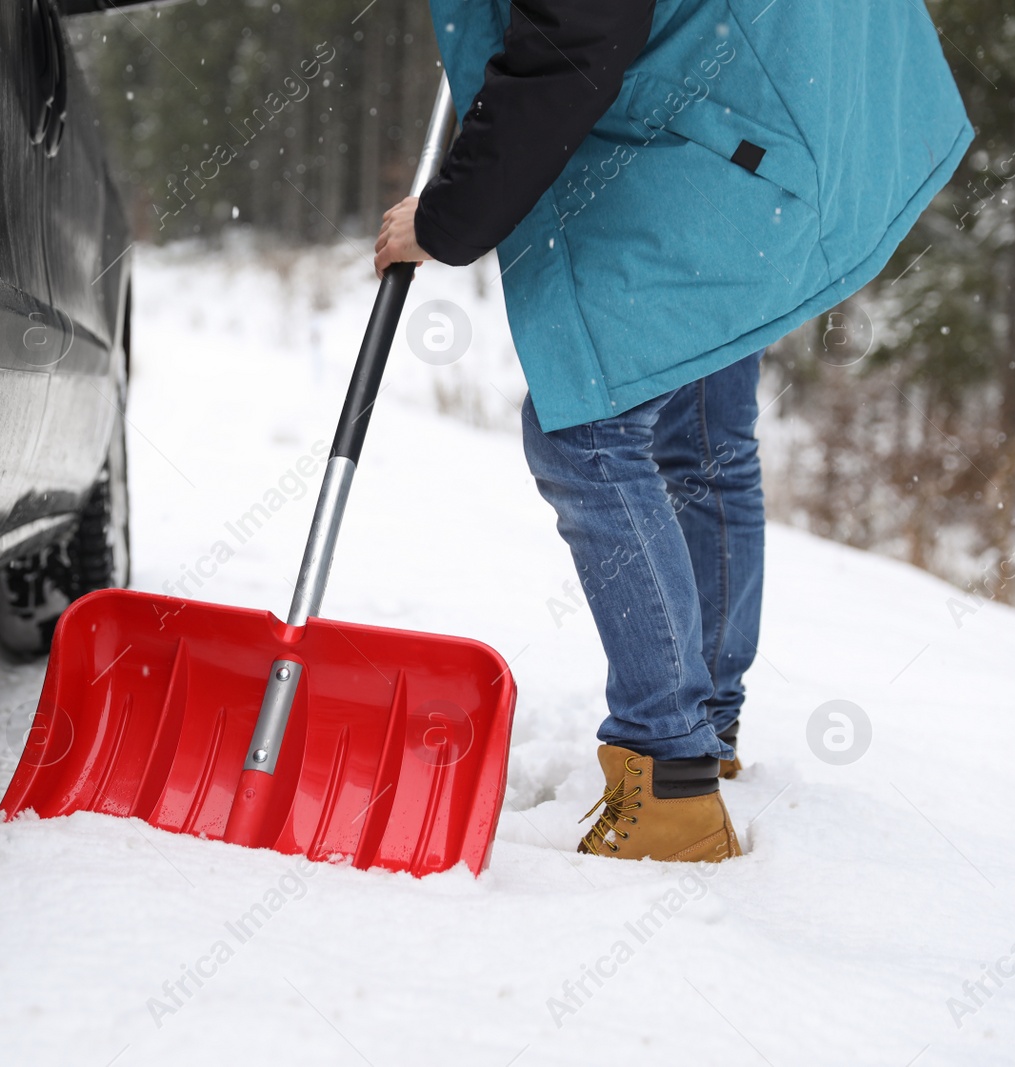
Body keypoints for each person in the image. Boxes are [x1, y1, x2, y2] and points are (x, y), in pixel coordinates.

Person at [375, 0, 972, 861]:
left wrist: (449, 215)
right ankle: (705, 726)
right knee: (703, 432)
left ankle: (671, 772)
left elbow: (573, 39)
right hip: (749, 122)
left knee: (583, 431)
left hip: (725, 134)